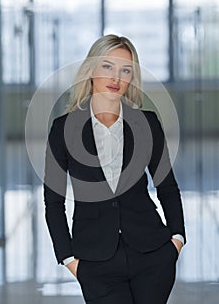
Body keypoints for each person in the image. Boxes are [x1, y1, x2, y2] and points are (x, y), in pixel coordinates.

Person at [43, 34, 186, 304]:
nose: (116, 77)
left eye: (126, 70)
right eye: (107, 66)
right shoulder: (64, 129)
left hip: (152, 255)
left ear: (132, 77)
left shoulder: (147, 123)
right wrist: (68, 258)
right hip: (95, 263)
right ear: (91, 71)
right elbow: (53, 201)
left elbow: (166, 186)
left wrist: (177, 239)